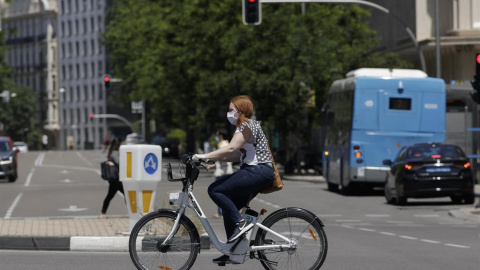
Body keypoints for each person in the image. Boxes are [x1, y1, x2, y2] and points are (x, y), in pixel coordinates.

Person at [193, 95, 274, 264]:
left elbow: (231, 147)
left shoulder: (246, 125)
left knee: (214, 189)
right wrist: (211, 159)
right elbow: (236, 154)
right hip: (257, 171)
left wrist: (201, 155)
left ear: (240, 111)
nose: (228, 113)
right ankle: (232, 250)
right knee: (230, 208)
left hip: (257, 171)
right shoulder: (246, 127)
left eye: (231, 110)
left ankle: (241, 222)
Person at [208, 129, 234, 219]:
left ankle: (220, 212)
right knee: (227, 192)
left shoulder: (221, 144)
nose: (217, 137)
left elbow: (220, 157)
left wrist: (210, 159)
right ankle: (229, 210)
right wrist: (213, 166)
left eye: (217, 136)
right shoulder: (229, 144)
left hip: (221, 171)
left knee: (216, 191)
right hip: (228, 170)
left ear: (221, 136)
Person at [100, 138, 125, 218]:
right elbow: (120, 163)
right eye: (122, 144)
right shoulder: (115, 153)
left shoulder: (113, 153)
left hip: (115, 179)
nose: (123, 145)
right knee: (127, 195)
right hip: (116, 179)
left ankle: (103, 213)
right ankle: (134, 212)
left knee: (110, 196)